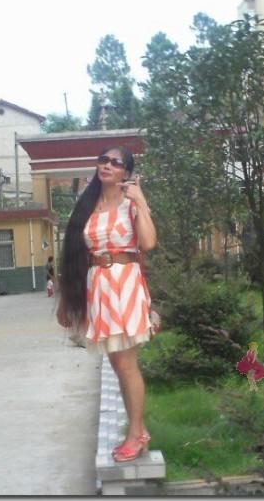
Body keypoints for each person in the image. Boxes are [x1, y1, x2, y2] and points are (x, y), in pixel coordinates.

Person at [56, 145, 157, 462]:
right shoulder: (86, 205)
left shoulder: (130, 205)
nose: (108, 165)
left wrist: (140, 200)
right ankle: (138, 431)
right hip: (97, 287)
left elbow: (148, 243)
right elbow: (73, 256)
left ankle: (137, 433)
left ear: (126, 172)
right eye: (103, 160)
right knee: (117, 364)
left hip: (125, 285)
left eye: (116, 162)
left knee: (126, 364)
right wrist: (66, 300)